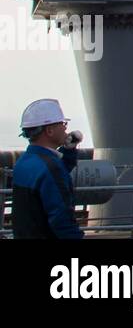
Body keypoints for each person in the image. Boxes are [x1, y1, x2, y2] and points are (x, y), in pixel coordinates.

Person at [11, 98, 84, 240]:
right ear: (49, 130)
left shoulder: (25, 161)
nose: (65, 128)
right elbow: (61, 219)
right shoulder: (51, 167)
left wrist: (69, 150)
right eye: (62, 124)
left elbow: (55, 175)